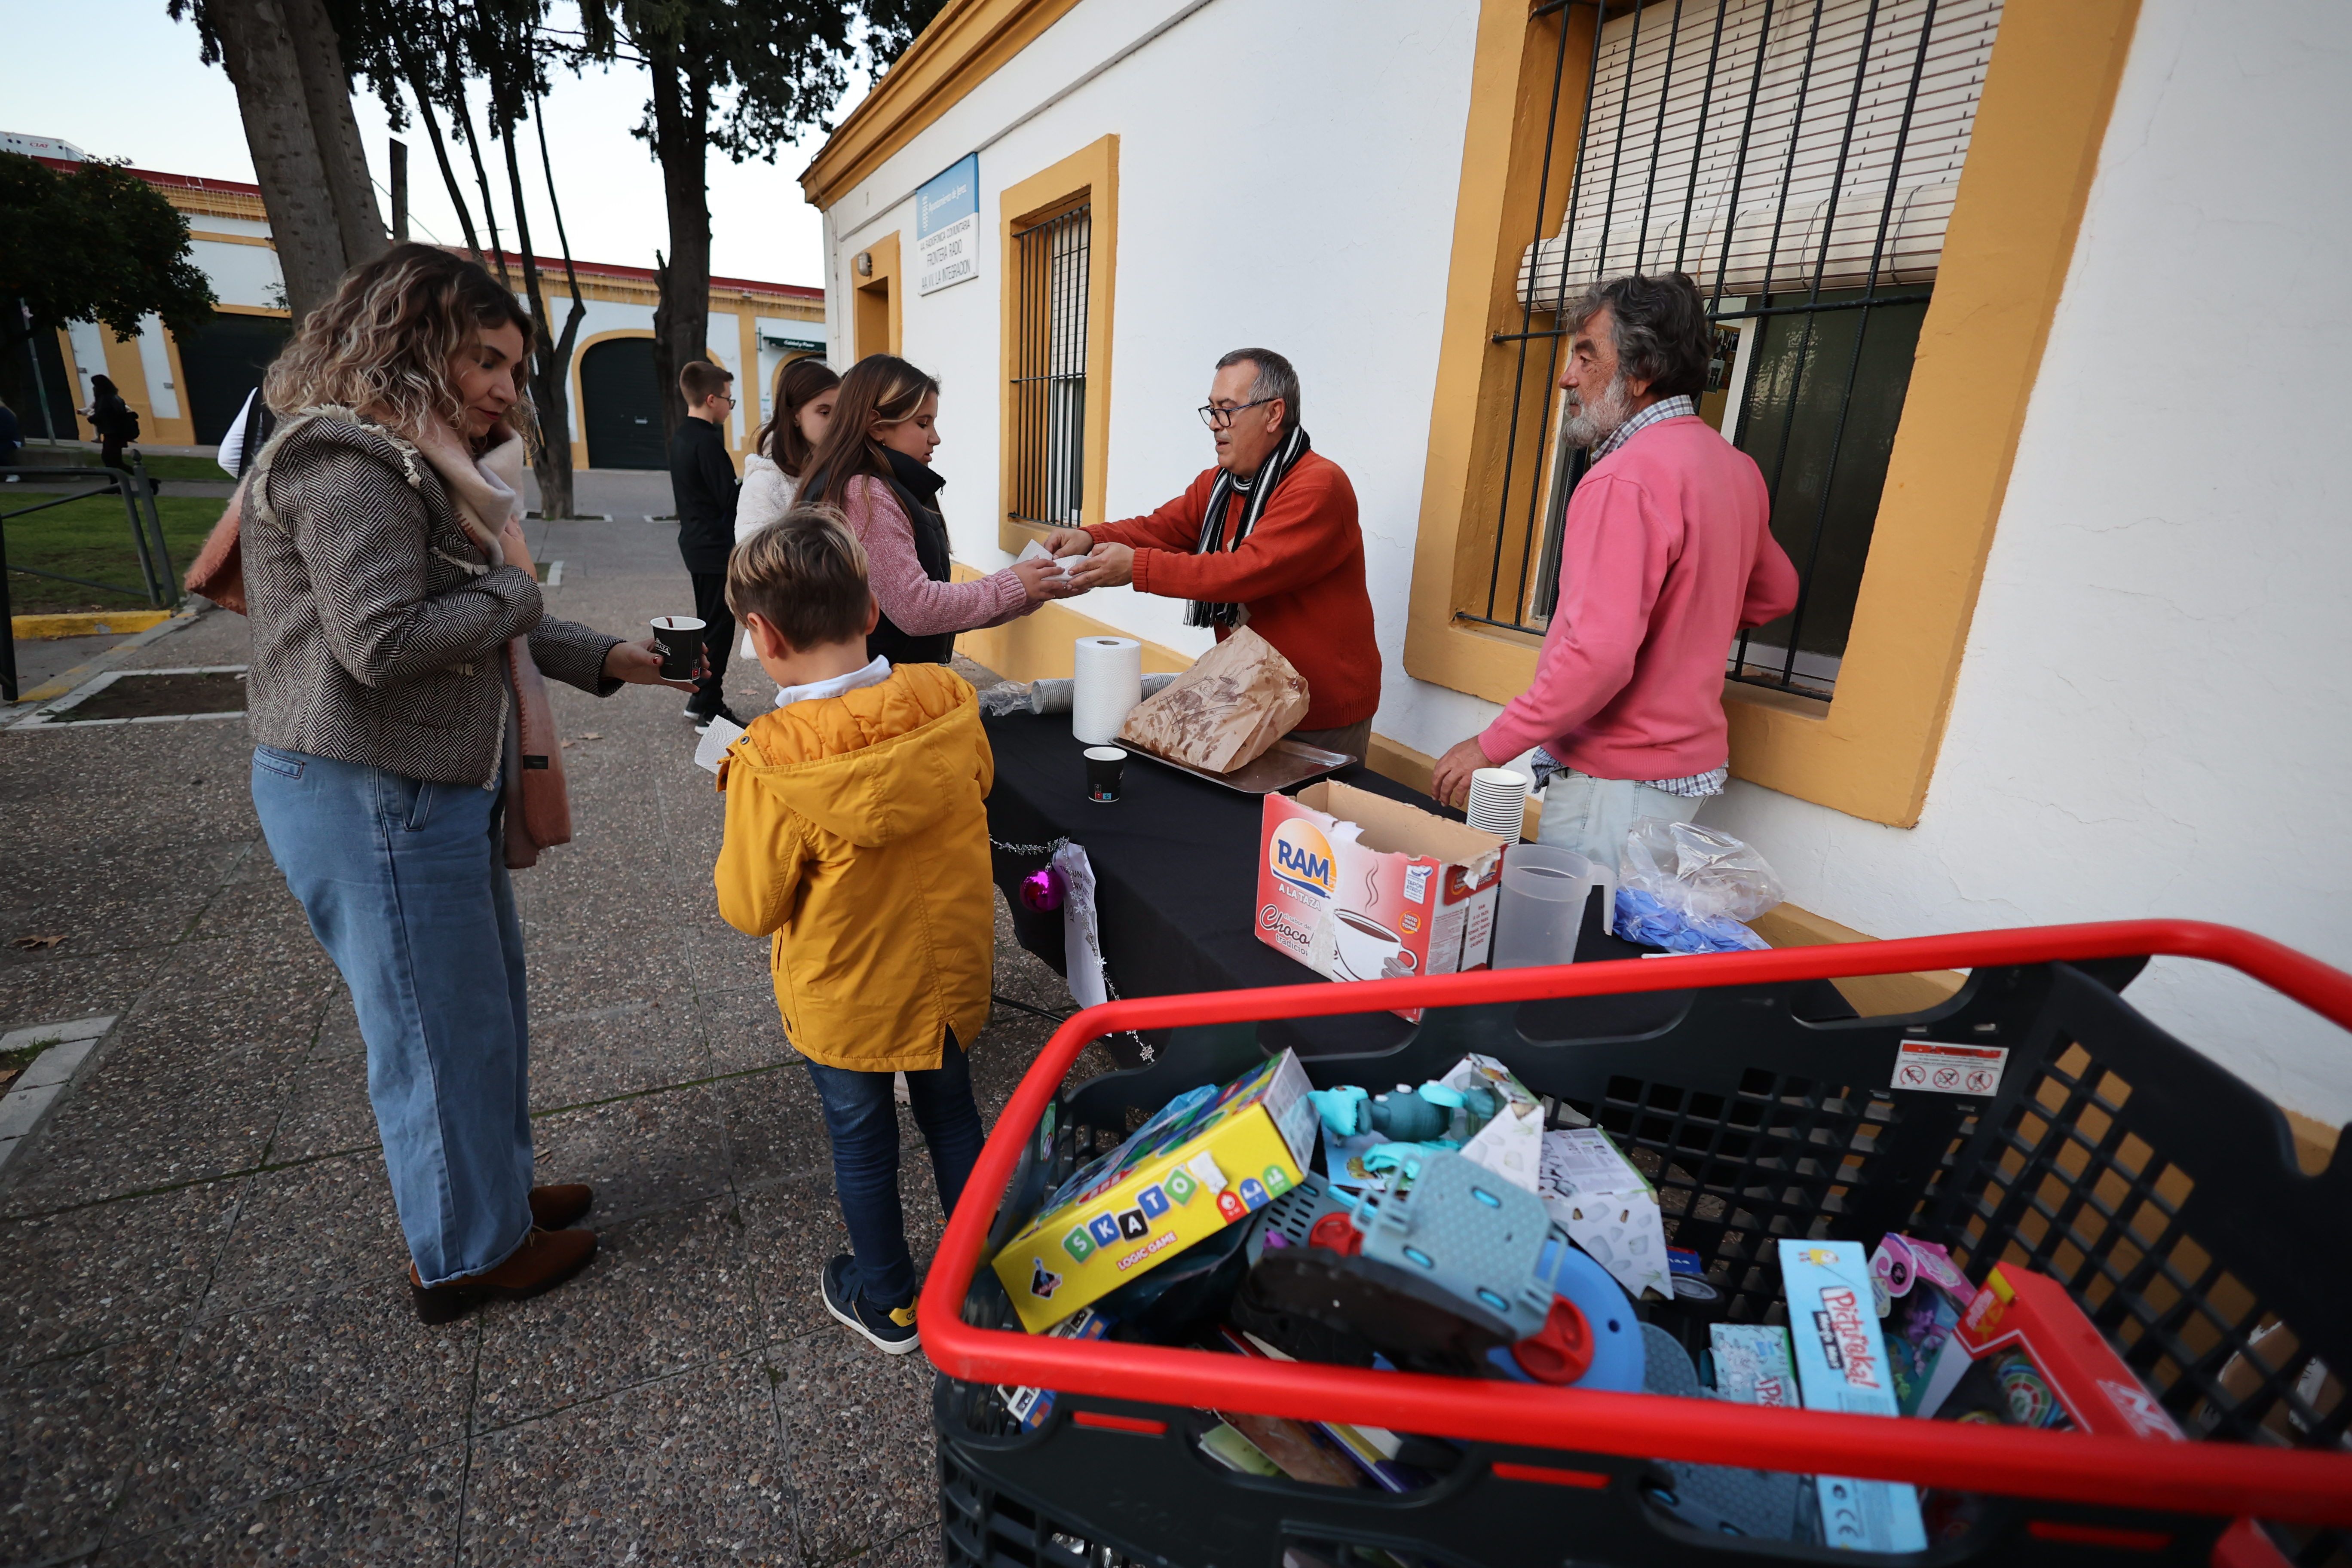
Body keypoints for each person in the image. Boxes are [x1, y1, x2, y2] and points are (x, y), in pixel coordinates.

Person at [240, 242, 699, 1323]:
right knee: (434, 1033)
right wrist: (525, 602)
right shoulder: (344, 461)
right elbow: (386, 639)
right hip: (371, 794)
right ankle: (463, 1254)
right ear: (411, 342)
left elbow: (474, 610)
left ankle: (491, 1200)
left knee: (478, 1017)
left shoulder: (413, 459)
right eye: (487, 361)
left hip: (416, 790)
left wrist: (605, 657)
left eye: (514, 368)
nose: (505, 389)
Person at [713, 506, 992, 1355]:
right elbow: (977, 781)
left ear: (762, 635)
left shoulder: (770, 760)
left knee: (863, 1143)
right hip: (945, 979)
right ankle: (986, 1280)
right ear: (872, 611)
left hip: (848, 1000)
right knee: (954, 1120)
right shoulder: (948, 698)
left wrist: (740, 805)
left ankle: (891, 1303)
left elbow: (750, 907)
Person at [1429, 273, 1798, 867]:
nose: (1567, 376)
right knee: (1626, 940)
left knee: (1579, 950)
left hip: (1615, 782)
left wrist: (1489, 746)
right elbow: (1777, 591)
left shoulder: (1624, 479)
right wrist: (1684, 622)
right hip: (1679, 779)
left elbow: (1597, 655)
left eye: (1585, 354)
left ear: (1642, 369)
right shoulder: (1734, 468)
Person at [1045, 348, 1381, 759]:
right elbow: (1159, 530)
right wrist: (1089, 537)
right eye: (1212, 410)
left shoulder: (1319, 486)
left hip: (1317, 708)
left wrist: (1137, 568)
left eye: (1228, 411)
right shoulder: (1222, 485)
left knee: (1300, 822)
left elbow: (1245, 571)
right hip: (1249, 692)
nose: (1215, 426)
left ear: (1274, 414)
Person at [799, 354, 1074, 665]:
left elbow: (935, 615)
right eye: (922, 423)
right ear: (877, 427)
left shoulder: (883, 486)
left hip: (889, 688)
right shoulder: (865, 494)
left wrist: (1030, 590)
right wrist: (1013, 585)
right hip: (878, 696)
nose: (935, 438)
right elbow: (917, 610)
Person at [733, 356, 838, 661]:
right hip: (794, 634)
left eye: (840, 412)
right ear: (794, 415)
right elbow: (754, 565)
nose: (835, 422)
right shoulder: (765, 483)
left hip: (840, 628)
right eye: (824, 411)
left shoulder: (834, 472)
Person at [668, 358, 744, 731]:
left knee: (707, 626)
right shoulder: (709, 442)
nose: (731, 407)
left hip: (696, 545)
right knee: (718, 630)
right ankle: (712, 711)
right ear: (712, 399)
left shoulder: (682, 436)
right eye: (730, 400)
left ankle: (699, 699)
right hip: (715, 549)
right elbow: (728, 502)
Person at [85, 374, 135, 473]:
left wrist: (93, 419)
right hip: (117, 433)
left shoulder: (105, 399)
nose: (94, 389)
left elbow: (104, 414)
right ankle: (144, 479)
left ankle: (145, 479)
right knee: (114, 461)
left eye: (95, 386)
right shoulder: (116, 398)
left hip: (112, 433)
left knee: (111, 461)